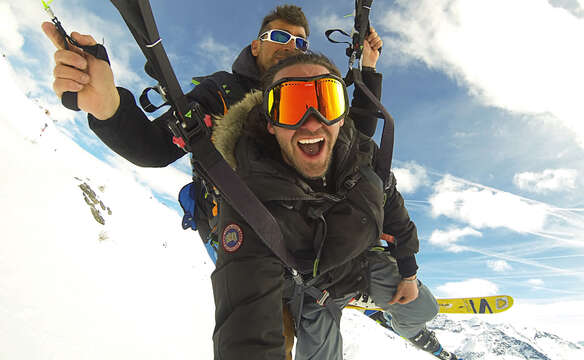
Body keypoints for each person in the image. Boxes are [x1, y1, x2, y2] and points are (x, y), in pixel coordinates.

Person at [41, 4, 383, 243]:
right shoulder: (222, 91)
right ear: (256, 45)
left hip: (308, 226)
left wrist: (368, 68)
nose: (292, 46)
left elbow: (356, 137)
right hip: (241, 231)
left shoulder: (311, 94)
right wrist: (110, 108)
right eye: (280, 37)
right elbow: (155, 147)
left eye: (300, 42)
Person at [210, 52, 458, 360]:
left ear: (341, 116)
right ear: (270, 122)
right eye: (291, 106)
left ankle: (409, 327)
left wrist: (408, 271)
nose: (311, 123)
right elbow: (245, 316)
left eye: (326, 102)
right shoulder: (249, 196)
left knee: (425, 308)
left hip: (361, 266)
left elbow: (393, 208)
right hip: (315, 292)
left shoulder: (364, 157)